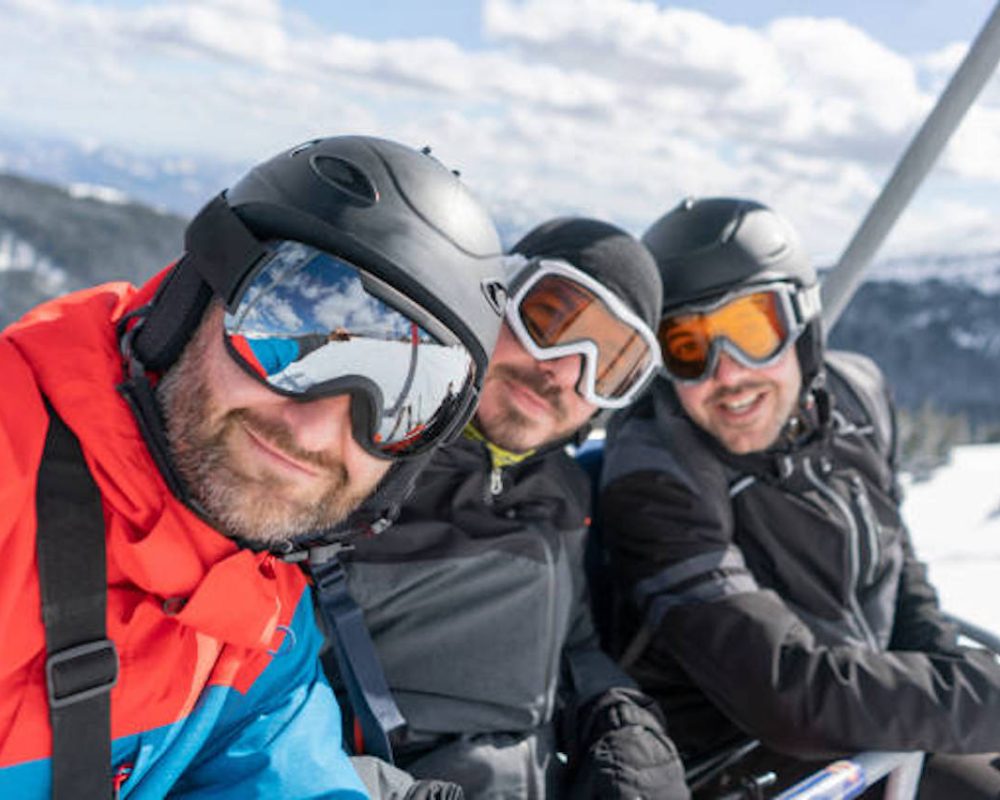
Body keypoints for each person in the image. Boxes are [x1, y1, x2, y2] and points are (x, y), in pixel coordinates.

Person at [0, 135, 506, 799]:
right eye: (289, 333)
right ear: (189, 305)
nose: (317, 429)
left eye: (402, 400)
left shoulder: (262, 635)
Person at [600, 196, 1000, 798]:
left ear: (803, 322)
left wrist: (953, 680)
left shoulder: (857, 396)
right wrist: (976, 699)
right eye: (688, 346)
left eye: (751, 329)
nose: (727, 374)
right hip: (740, 755)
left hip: (865, 714)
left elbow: (898, 569)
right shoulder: (656, 477)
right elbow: (783, 689)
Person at [337, 218, 691, 799]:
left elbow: (571, 645)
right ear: (495, 294)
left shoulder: (562, 490)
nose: (565, 370)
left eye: (608, 365)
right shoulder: (355, 454)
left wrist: (622, 726)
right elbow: (249, 704)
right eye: (551, 319)